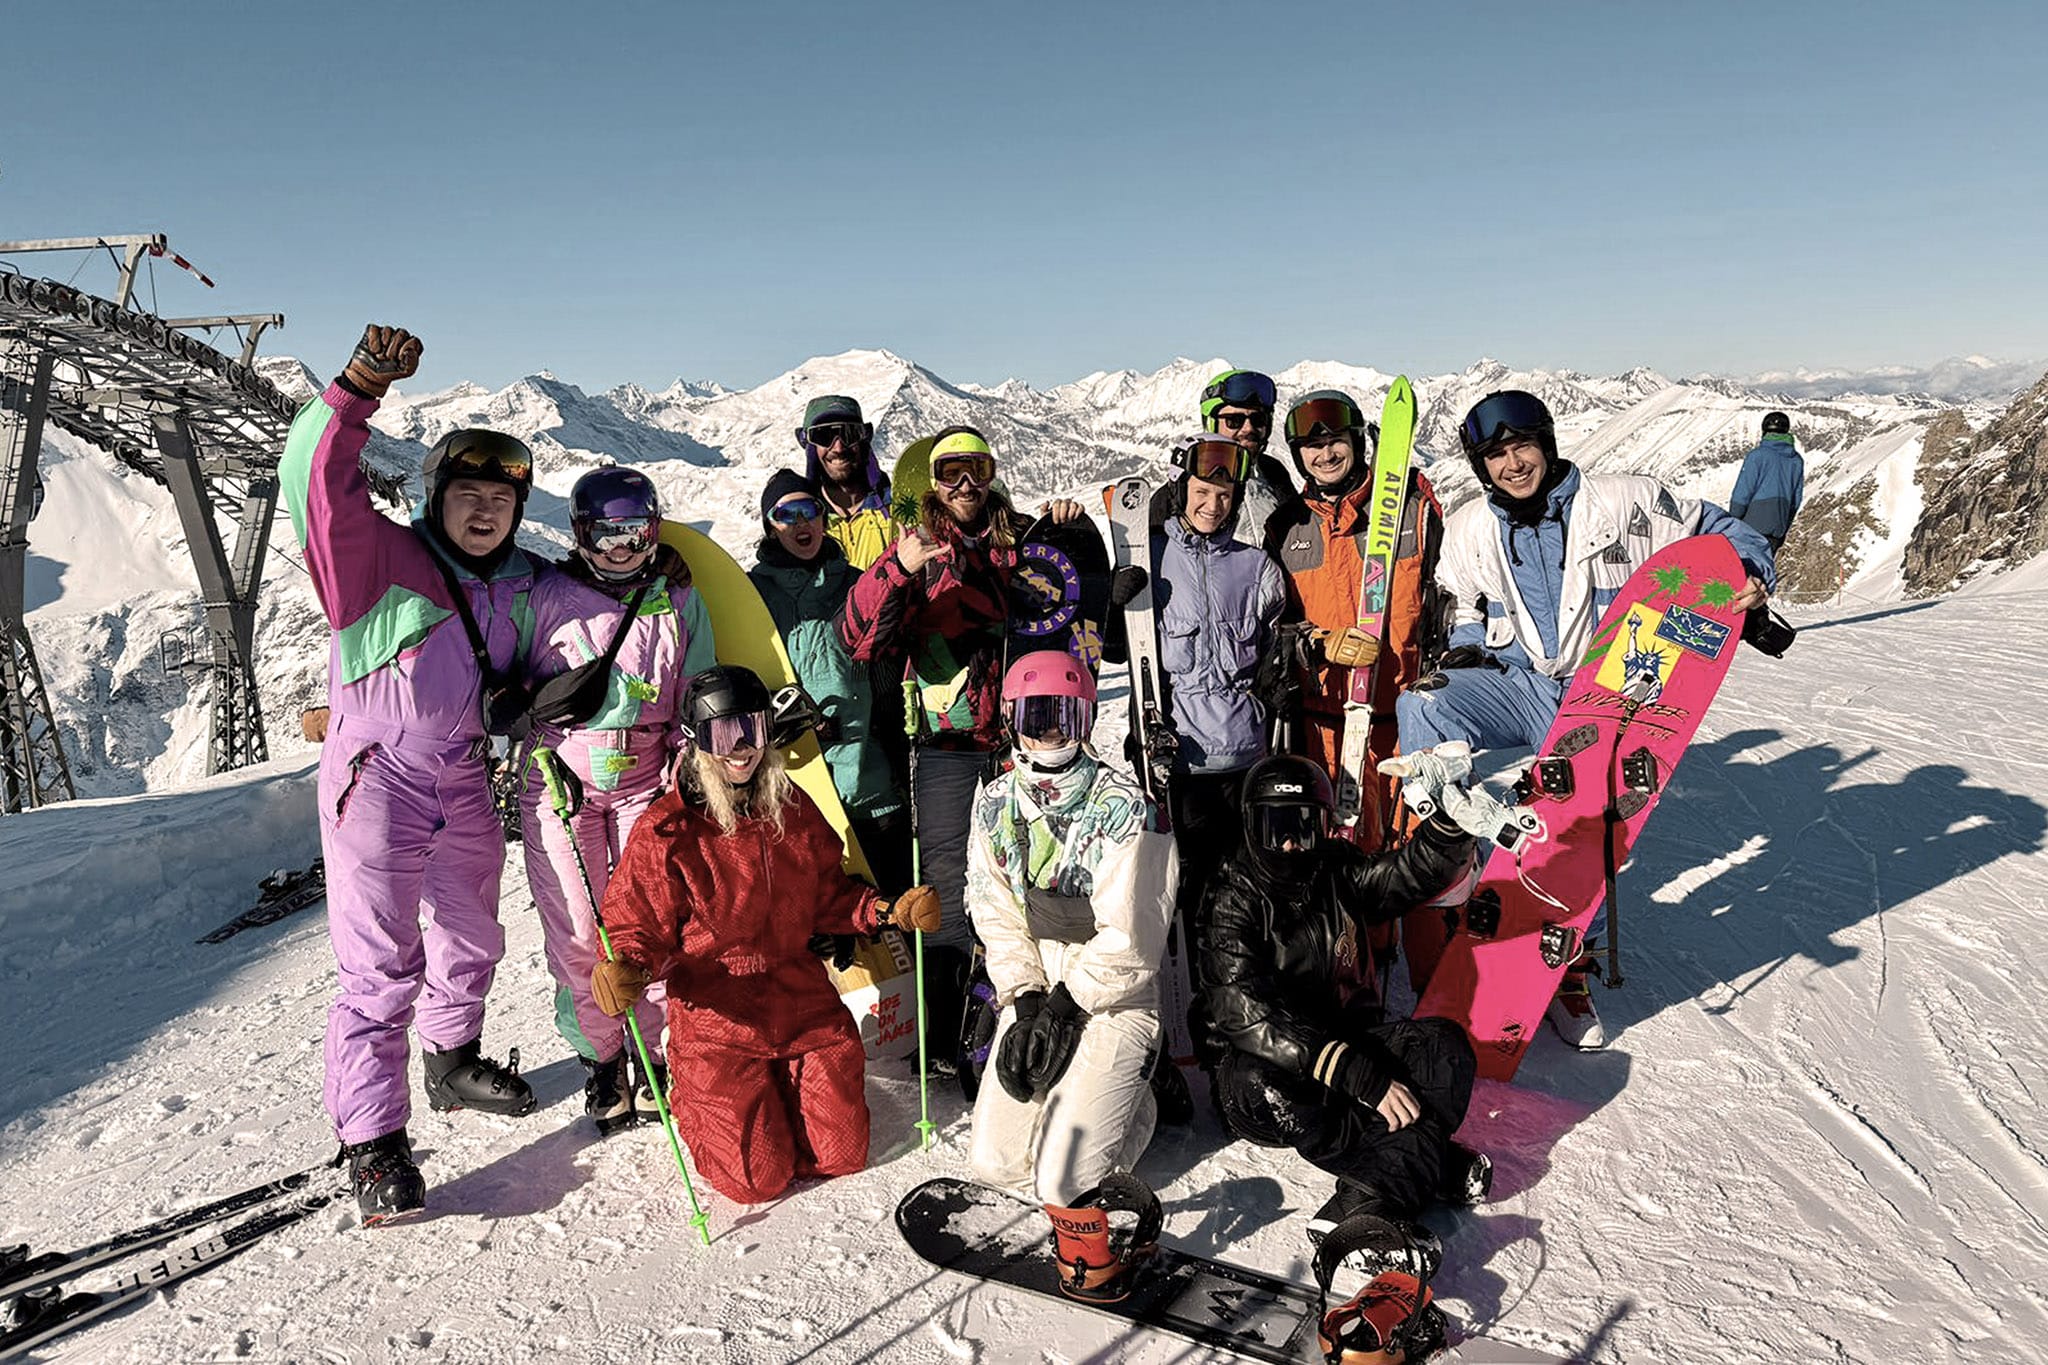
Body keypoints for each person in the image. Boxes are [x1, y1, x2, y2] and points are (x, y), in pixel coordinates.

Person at [1396, 388, 1777, 1046]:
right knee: (1422, 700)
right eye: (1495, 455)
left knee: (1579, 824)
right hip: (1522, 682)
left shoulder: (1626, 502)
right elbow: (1458, 600)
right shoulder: (1471, 529)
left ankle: (1569, 962)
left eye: (1521, 447)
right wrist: (1463, 646)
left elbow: (1724, 533)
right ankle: (1454, 860)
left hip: (1609, 689)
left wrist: (1749, 568)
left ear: (1545, 441)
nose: (1512, 464)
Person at [279, 324, 543, 1222]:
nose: (482, 511)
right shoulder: (377, 561)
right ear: (437, 495)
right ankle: (373, 1137)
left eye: (499, 499)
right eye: (466, 492)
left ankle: (450, 1057)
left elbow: (590, 610)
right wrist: (354, 392)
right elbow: (312, 485)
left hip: (465, 776)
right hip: (378, 777)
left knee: (472, 932)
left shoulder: (518, 582)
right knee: (382, 962)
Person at [589, 665, 942, 1205]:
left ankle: (777, 1093)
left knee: (841, 1156)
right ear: (696, 742)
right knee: (756, 1182)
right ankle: (694, 1093)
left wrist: (889, 911)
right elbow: (636, 921)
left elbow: (830, 895)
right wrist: (629, 967)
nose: (741, 750)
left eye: (750, 729)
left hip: (800, 1001)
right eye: (722, 734)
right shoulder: (669, 831)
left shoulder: (790, 807)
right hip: (718, 1016)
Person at [837, 425, 1089, 1066]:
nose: (966, 485)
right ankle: (945, 1024)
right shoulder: (918, 551)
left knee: (1027, 870)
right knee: (945, 882)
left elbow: (1073, 605)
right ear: (933, 481)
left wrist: (1073, 534)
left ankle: (1023, 1006)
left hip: (1018, 742)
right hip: (943, 742)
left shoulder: (1019, 541)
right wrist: (898, 568)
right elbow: (857, 639)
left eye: (977, 468)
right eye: (951, 472)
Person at [1193, 753, 1483, 1234]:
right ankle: (1420, 1159)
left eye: (1303, 827)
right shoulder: (1231, 896)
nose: (1288, 843)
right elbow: (1246, 1012)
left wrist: (1449, 830)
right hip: (1271, 1067)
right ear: (1251, 826)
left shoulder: (1333, 871)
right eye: (1275, 826)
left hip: (1351, 1042)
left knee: (1443, 1049)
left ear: (1324, 827)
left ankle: (1373, 1191)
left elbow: (1407, 875)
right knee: (1262, 1083)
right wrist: (1351, 1070)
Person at [519, 466, 714, 1137]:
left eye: (634, 529)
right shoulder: (547, 593)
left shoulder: (676, 595)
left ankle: (653, 1053)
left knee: (651, 925)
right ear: (582, 533)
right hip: (561, 784)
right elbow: (506, 675)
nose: (621, 545)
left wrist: (686, 763)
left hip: (644, 781)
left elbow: (695, 685)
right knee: (579, 929)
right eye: (606, 531)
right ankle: (602, 1059)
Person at [966, 651, 1178, 1207]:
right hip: (1039, 979)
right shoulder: (994, 803)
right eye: (1037, 718)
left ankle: (1136, 1099)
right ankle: (1084, 1091)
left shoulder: (1130, 809)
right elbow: (996, 908)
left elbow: (1132, 938)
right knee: (994, 1166)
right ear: (1014, 721)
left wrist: (1066, 1007)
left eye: (1065, 715)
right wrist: (1028, 1000)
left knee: (1063, 1188)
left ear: (1086, 721)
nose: (1050, 732)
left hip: (1113, 994)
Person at [1264, 390, 1446, 850]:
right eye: (1312, 447)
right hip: (1325, 728)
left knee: (1420, 859)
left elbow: (1453, 599)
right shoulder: (1285, 529)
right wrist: (1316, 642)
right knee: (1345, 859)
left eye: (1336, 441)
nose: (1325, 454)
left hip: (1408, 723)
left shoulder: (1413, 511)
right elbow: (1270, 626)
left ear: (1357, 440)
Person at [1142, 433, 1285, 980]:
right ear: (1183, 489)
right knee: (1192, 883)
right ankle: (1197, 989)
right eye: (1202, 491)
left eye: (1225, 496)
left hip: (1246, 756)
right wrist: (1116, 601)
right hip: (1180, 761)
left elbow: (1277, 646)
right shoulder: (1152, 556)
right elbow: (1115, 647)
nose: (1213, 505)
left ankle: (1240, 982)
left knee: (1244, 882)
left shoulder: (1256, 568)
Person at [749, 469, 913, 894]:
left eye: (811, 510)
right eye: (788, 514)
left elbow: (893, 662)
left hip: (871, 781)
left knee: (892, 908)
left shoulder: (859, 583)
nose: (802, 523)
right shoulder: (753, 597)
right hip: (797, 786)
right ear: (770, 524)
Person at [798, 395, 900, 571]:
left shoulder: (897, 511)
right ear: (810, 446)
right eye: (824, 436)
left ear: (864, 439)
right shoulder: (800, 520)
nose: (838, 448)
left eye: (849, 434)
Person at [1728, 410, 1806, 551]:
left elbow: (1743, 493)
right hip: (1778, 528)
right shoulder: (1796, 460)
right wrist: (1784, 527)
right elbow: (1796, 500)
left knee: (1742, 569)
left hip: (1751, 526)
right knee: (1764, 569)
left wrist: (1732, 520)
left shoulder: (1757, 456)